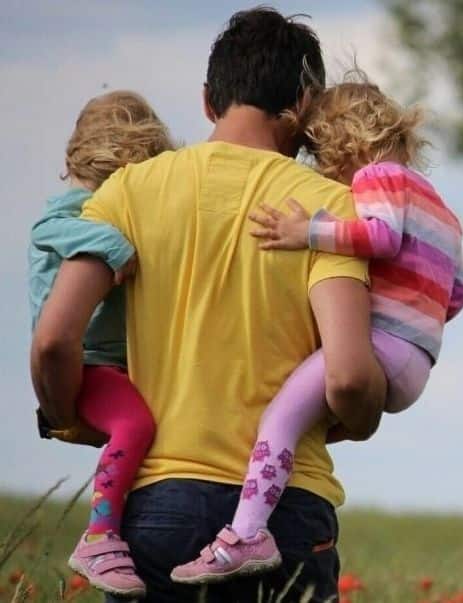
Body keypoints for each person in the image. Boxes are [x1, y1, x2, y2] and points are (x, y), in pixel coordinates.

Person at [30, 8, 387, 603]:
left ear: (207, 101)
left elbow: (52, 341)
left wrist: (69, 416)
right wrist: (363, 417)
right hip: (286, 510)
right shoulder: (329, 210)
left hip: (156, 507)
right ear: (305, 105)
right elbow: (349, 377)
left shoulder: (127, 191)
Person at [172, 78, 463, 583]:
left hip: (382, 345)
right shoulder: (441, 208)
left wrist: (306, 232)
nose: (327, 173)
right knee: (306, 421)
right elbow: (456, 295)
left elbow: (380, 237)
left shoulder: (377, 175)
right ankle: (263, 506)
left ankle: (246, 534)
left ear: (344, 144)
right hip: (417, 360)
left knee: (279, 419)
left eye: (323, 157)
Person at [29, 90, 172, 598]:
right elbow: (48, 229)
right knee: (136, 425)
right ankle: (99, 535)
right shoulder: (74, 210)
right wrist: (115, 246)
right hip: (88, 363)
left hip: (111, 362)